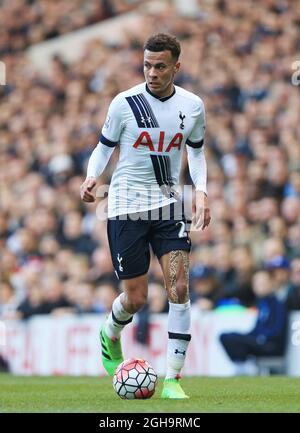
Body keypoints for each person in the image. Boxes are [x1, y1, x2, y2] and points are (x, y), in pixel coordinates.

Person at [80, 33, 211, 399]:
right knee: (136, 298)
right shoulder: (125, 103)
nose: (152, 73)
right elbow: (102, 149)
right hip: (125, 207)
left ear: (176, 67)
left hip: (170, 207)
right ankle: (110, 332)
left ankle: (172, 379)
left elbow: (197, 153)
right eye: (147, 65)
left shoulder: (193, 106)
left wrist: (201, 192)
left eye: (160, 66)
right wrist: (92, 178)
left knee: (179, 287)